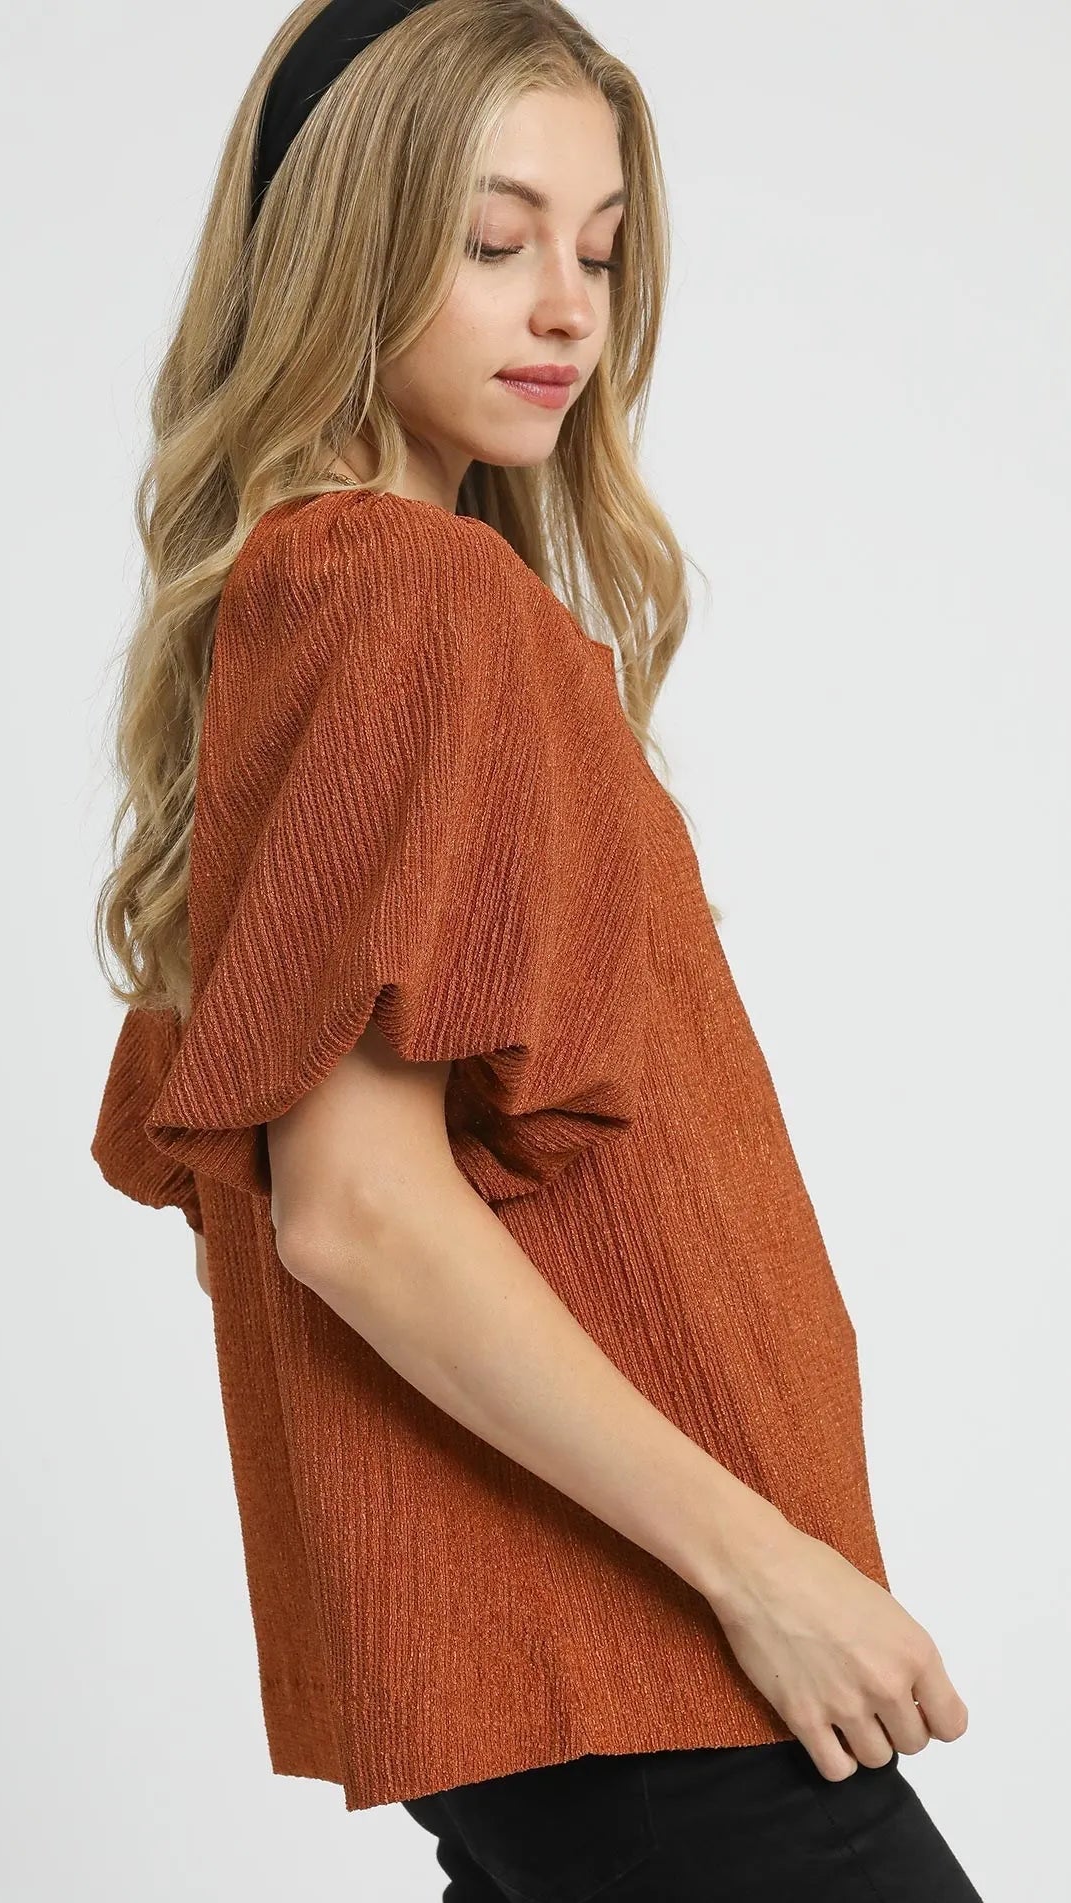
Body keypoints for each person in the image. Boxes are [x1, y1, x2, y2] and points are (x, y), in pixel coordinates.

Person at [90, 3, 985, 1896]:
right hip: (647, 1668)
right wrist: (767, 1568)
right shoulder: (402, 593)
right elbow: (355, 1207)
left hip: (569, 1694)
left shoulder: (334, 591)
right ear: (337, 241)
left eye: (597, 248)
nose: (564, 307)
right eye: (492, 242)